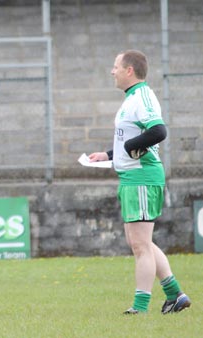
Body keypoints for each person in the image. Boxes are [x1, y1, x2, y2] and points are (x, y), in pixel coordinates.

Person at [89, 50, 191, 314]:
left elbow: (159, 131)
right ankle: (175, 294)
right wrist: (109, 155)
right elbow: (131, 138)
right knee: (139, 242)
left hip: (142, 177)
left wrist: (132, 147)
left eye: (115, 67)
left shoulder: (142, 96)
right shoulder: (131, 98)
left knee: (140, 245)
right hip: (131, 176)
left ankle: (140, 307)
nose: (112, 71)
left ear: (129, 70)